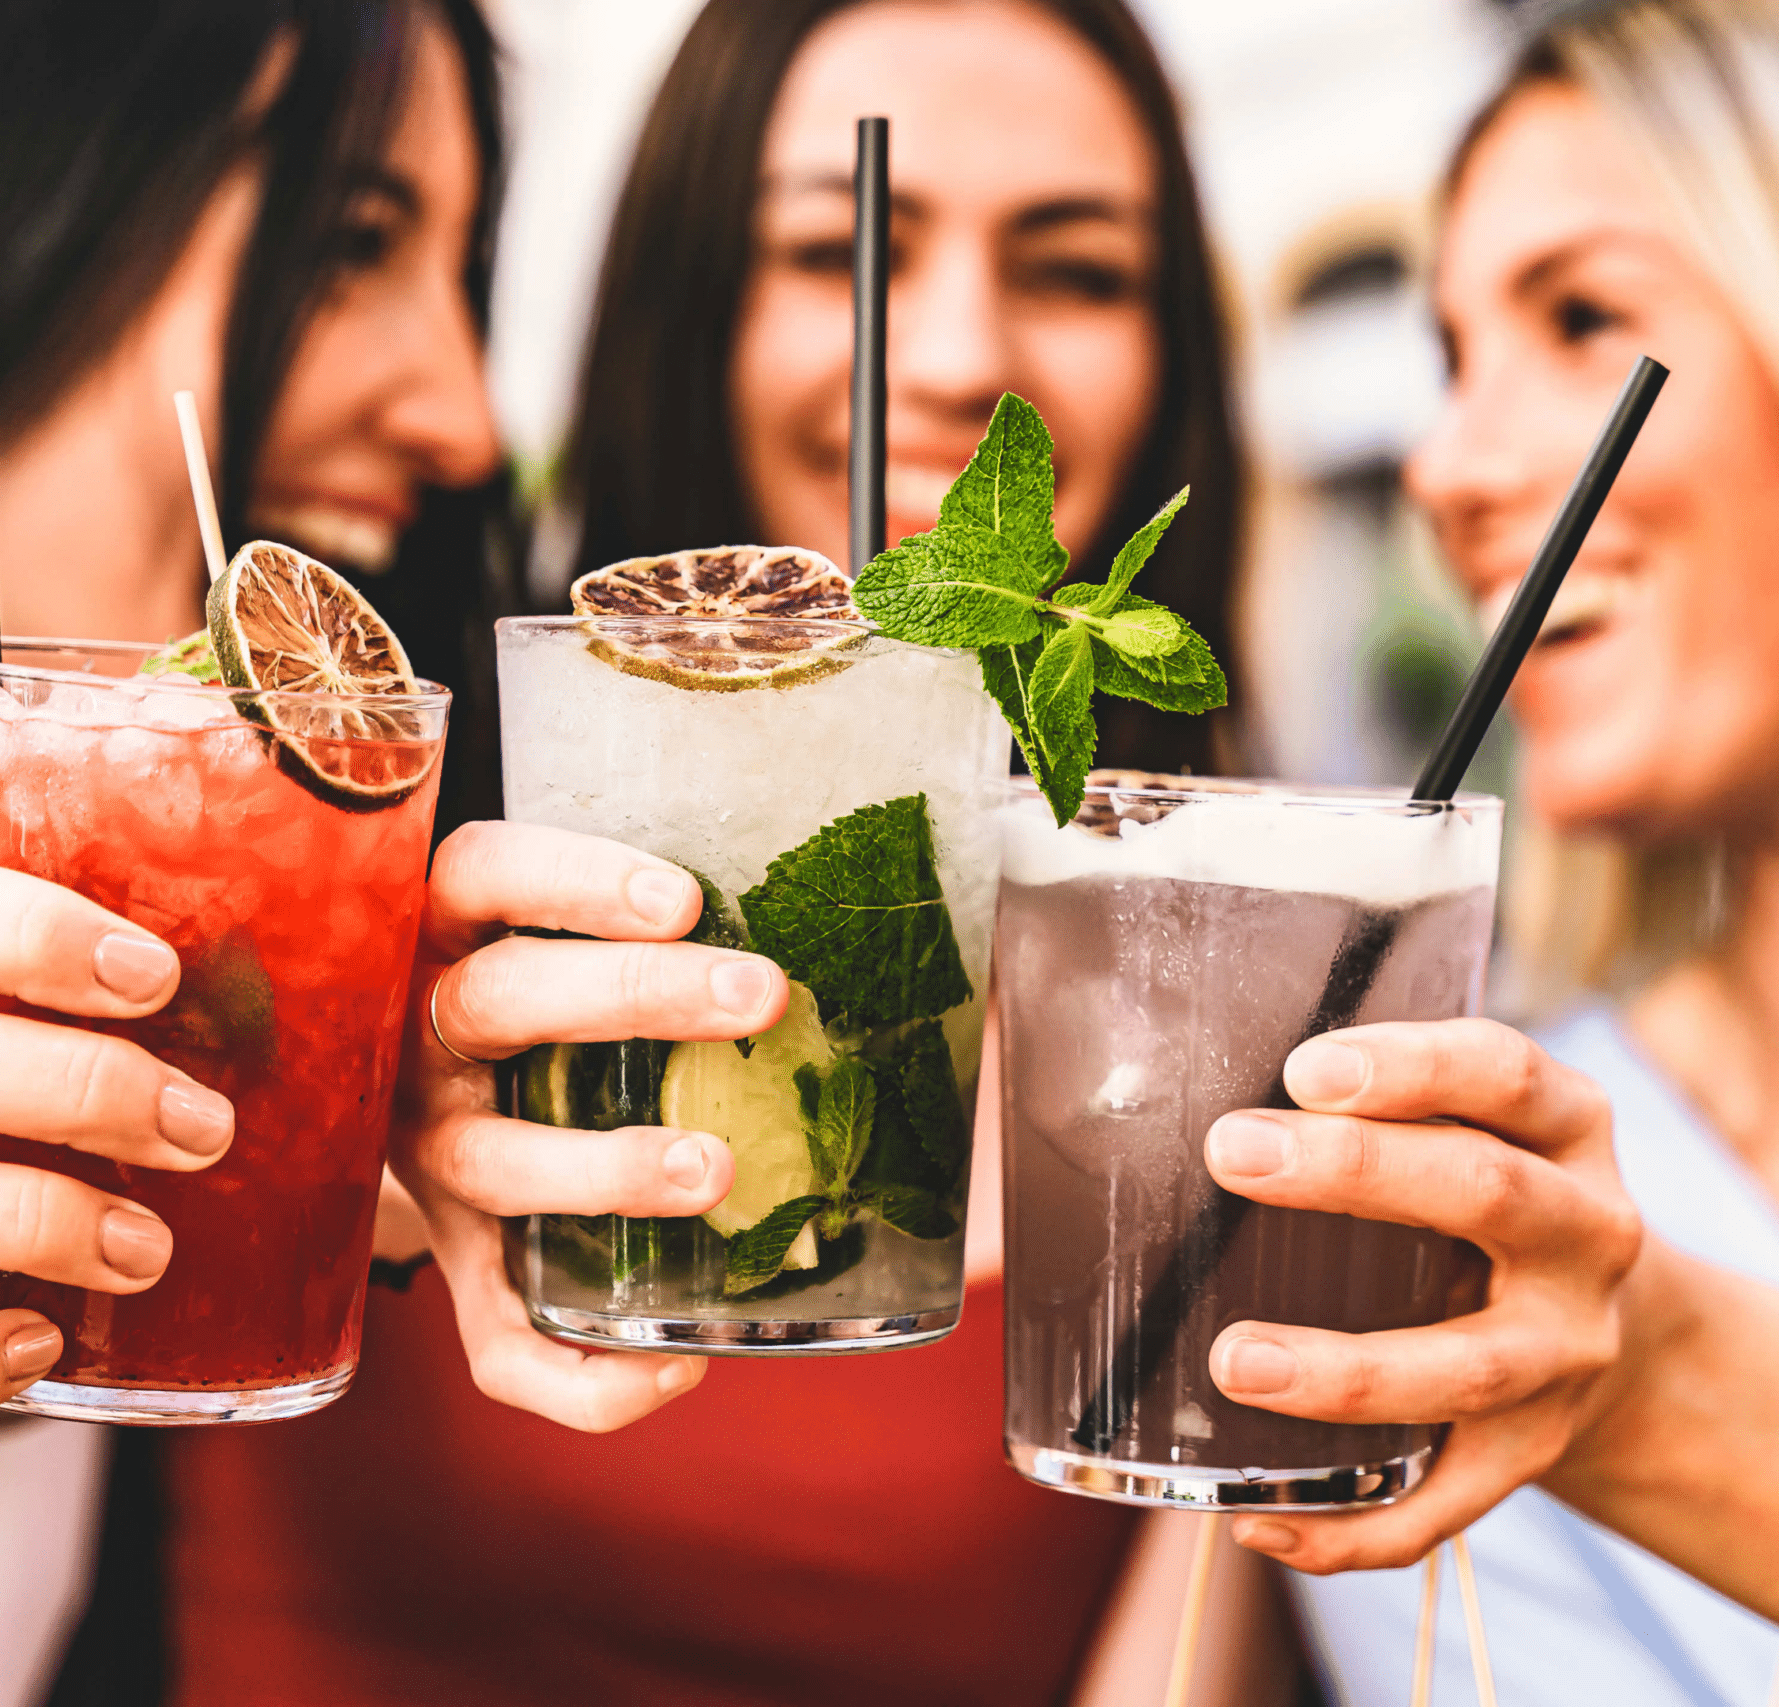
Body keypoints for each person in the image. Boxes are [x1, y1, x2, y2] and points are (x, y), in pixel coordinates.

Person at [0, 0, 763, 1699]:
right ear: (2, 167)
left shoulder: (98, 868)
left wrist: (342, 1088)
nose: (461, 415)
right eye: (349, 244)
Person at [155, 5, 1304, 1706]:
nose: (958, 349)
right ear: (688, 300)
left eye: (1074, 270)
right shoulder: (363, 823)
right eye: (840, 252)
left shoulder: (1244, 985)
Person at [1117, 2, 1779, 1703]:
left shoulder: (1539, 1266)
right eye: (1453, 361)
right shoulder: (1468, 1196)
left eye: (1582, 317)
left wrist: (1647, 1385)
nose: (1450, 466)